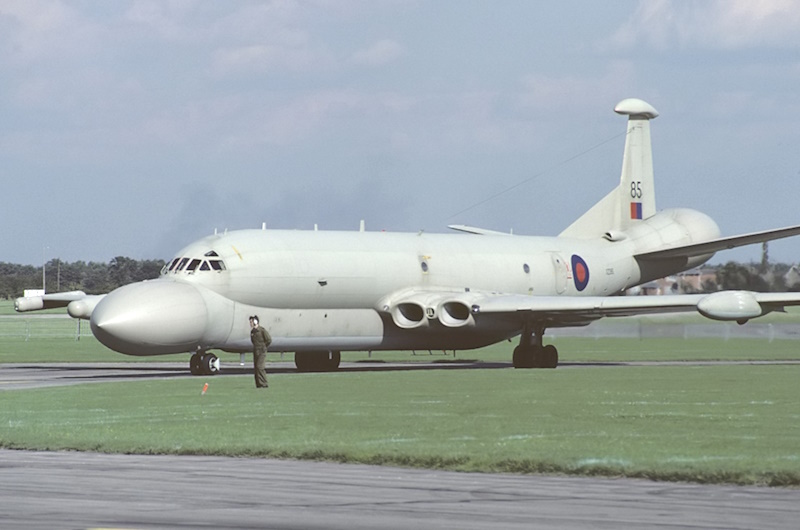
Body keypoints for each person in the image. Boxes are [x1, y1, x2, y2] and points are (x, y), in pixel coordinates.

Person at [249, 315, 272, 388]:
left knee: (260, 367)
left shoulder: (262, 330)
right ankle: (258, 384)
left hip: (262, 351)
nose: (250, 323)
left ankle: (264, 383)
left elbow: (268, 340)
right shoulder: (252, 331)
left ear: (256, 322)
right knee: (256, 368)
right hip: (256, 350)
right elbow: (253, 341)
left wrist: (263, 347)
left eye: (251, 322)